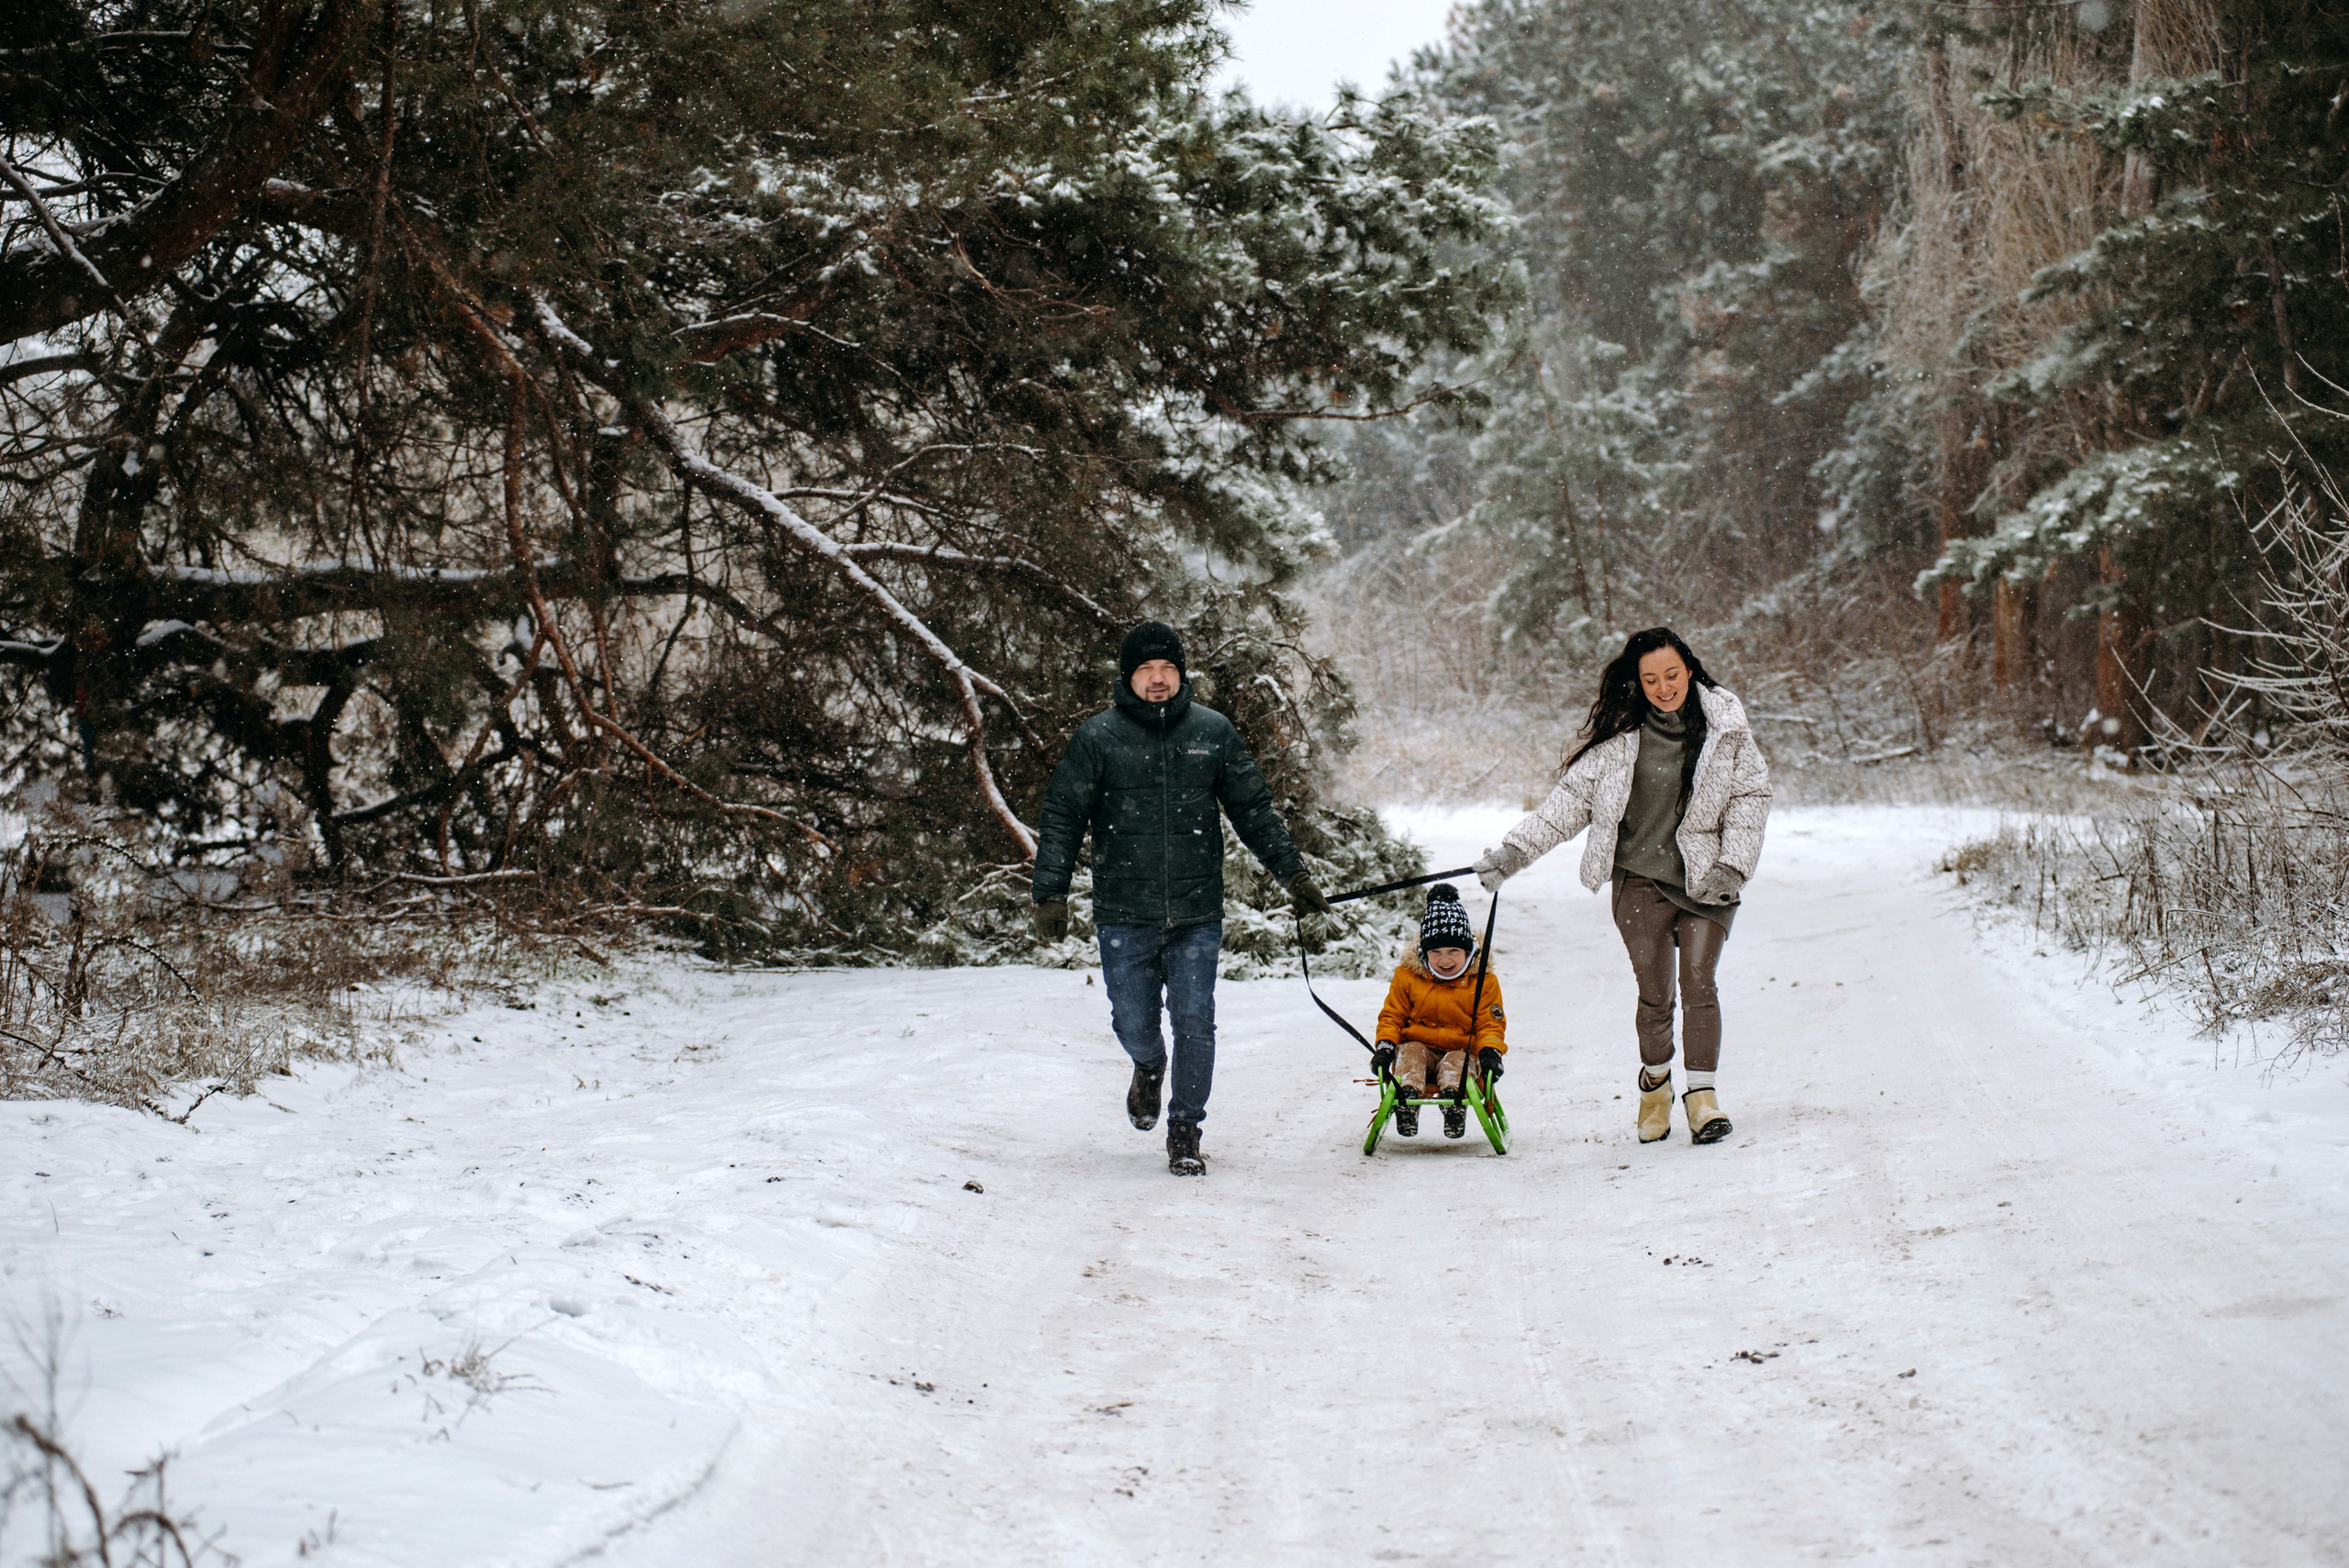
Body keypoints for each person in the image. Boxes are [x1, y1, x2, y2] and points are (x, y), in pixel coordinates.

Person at [1031, 621, 1332, 1175]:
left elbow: (1254, 811)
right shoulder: (1098, 738)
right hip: (1124, 911)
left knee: (1195, 1020)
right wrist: (1049, 892)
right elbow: (1062, 817)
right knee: (1133, 1021)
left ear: (1182, 673)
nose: (1158, 679)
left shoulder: (1212, 732)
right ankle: (1148, 1065)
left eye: (1167, 668)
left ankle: (1185, 1128)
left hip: (1196, 911)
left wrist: (1293, 876)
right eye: (1146, 669)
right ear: (1128, 677)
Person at [1473, 628, 1769, 1146]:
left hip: (1707, 881)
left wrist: (1733, 866)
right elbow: (1564, 809)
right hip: (1638, 883)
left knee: (1699, 982)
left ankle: (1703, 1100)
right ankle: (1654, 1088)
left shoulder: (1726, 728)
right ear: (1638, 682)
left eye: (1672, 674)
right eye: (1651, 678)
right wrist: (1513, 854)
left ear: (1690, 669)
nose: (1663, 686)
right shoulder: (1618, 744)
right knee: (1655, 996)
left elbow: (1751, 798)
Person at [1371, 884, 1507, 1140]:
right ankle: (1406, 1101)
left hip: (1461, 1051)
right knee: (1410, 1052)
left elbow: (1491, 1023)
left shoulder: (1483, 981)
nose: (1445, 961)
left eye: (1454, 951)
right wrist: (1386, 1045)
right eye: (1436, 952)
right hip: (1418, 1046)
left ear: (1469, 950)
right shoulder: (1407, 977)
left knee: (1458, 1062)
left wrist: (1490, 1051)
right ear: (1424, 953)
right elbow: (1392, 1015)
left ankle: (1453, 1104)